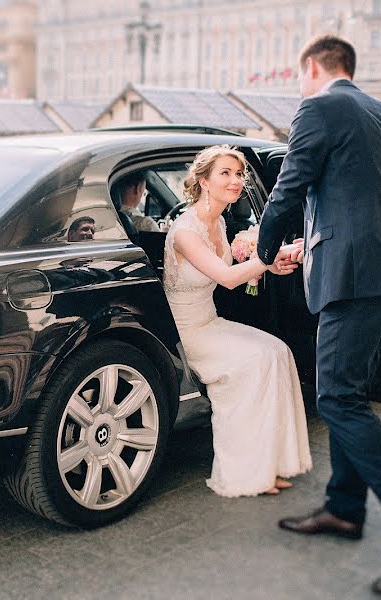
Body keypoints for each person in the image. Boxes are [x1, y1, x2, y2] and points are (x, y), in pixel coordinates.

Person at [256, 35, 381, 594]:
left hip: (352, 276)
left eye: (300, 76)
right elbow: (360, 195)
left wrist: (268, 250)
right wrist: (316, 243)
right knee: (349, 392)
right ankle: (344, 508)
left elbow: (291, 186)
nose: (299, 87)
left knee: (336, 397)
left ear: (314, 66)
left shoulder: (319, 106)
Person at [163, 144, 310, 498]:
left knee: (278, 352)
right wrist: (269, 255)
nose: (235, 180)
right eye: (225, 173)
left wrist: (271, 266)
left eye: (239, 174)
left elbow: (232, 271)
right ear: (203, 181)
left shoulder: (219, 222)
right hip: (186, 332)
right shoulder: (185, 230)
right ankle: (242, 474)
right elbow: (227, 278)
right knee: (255, 361)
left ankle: (268, 466)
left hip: (211, 322)